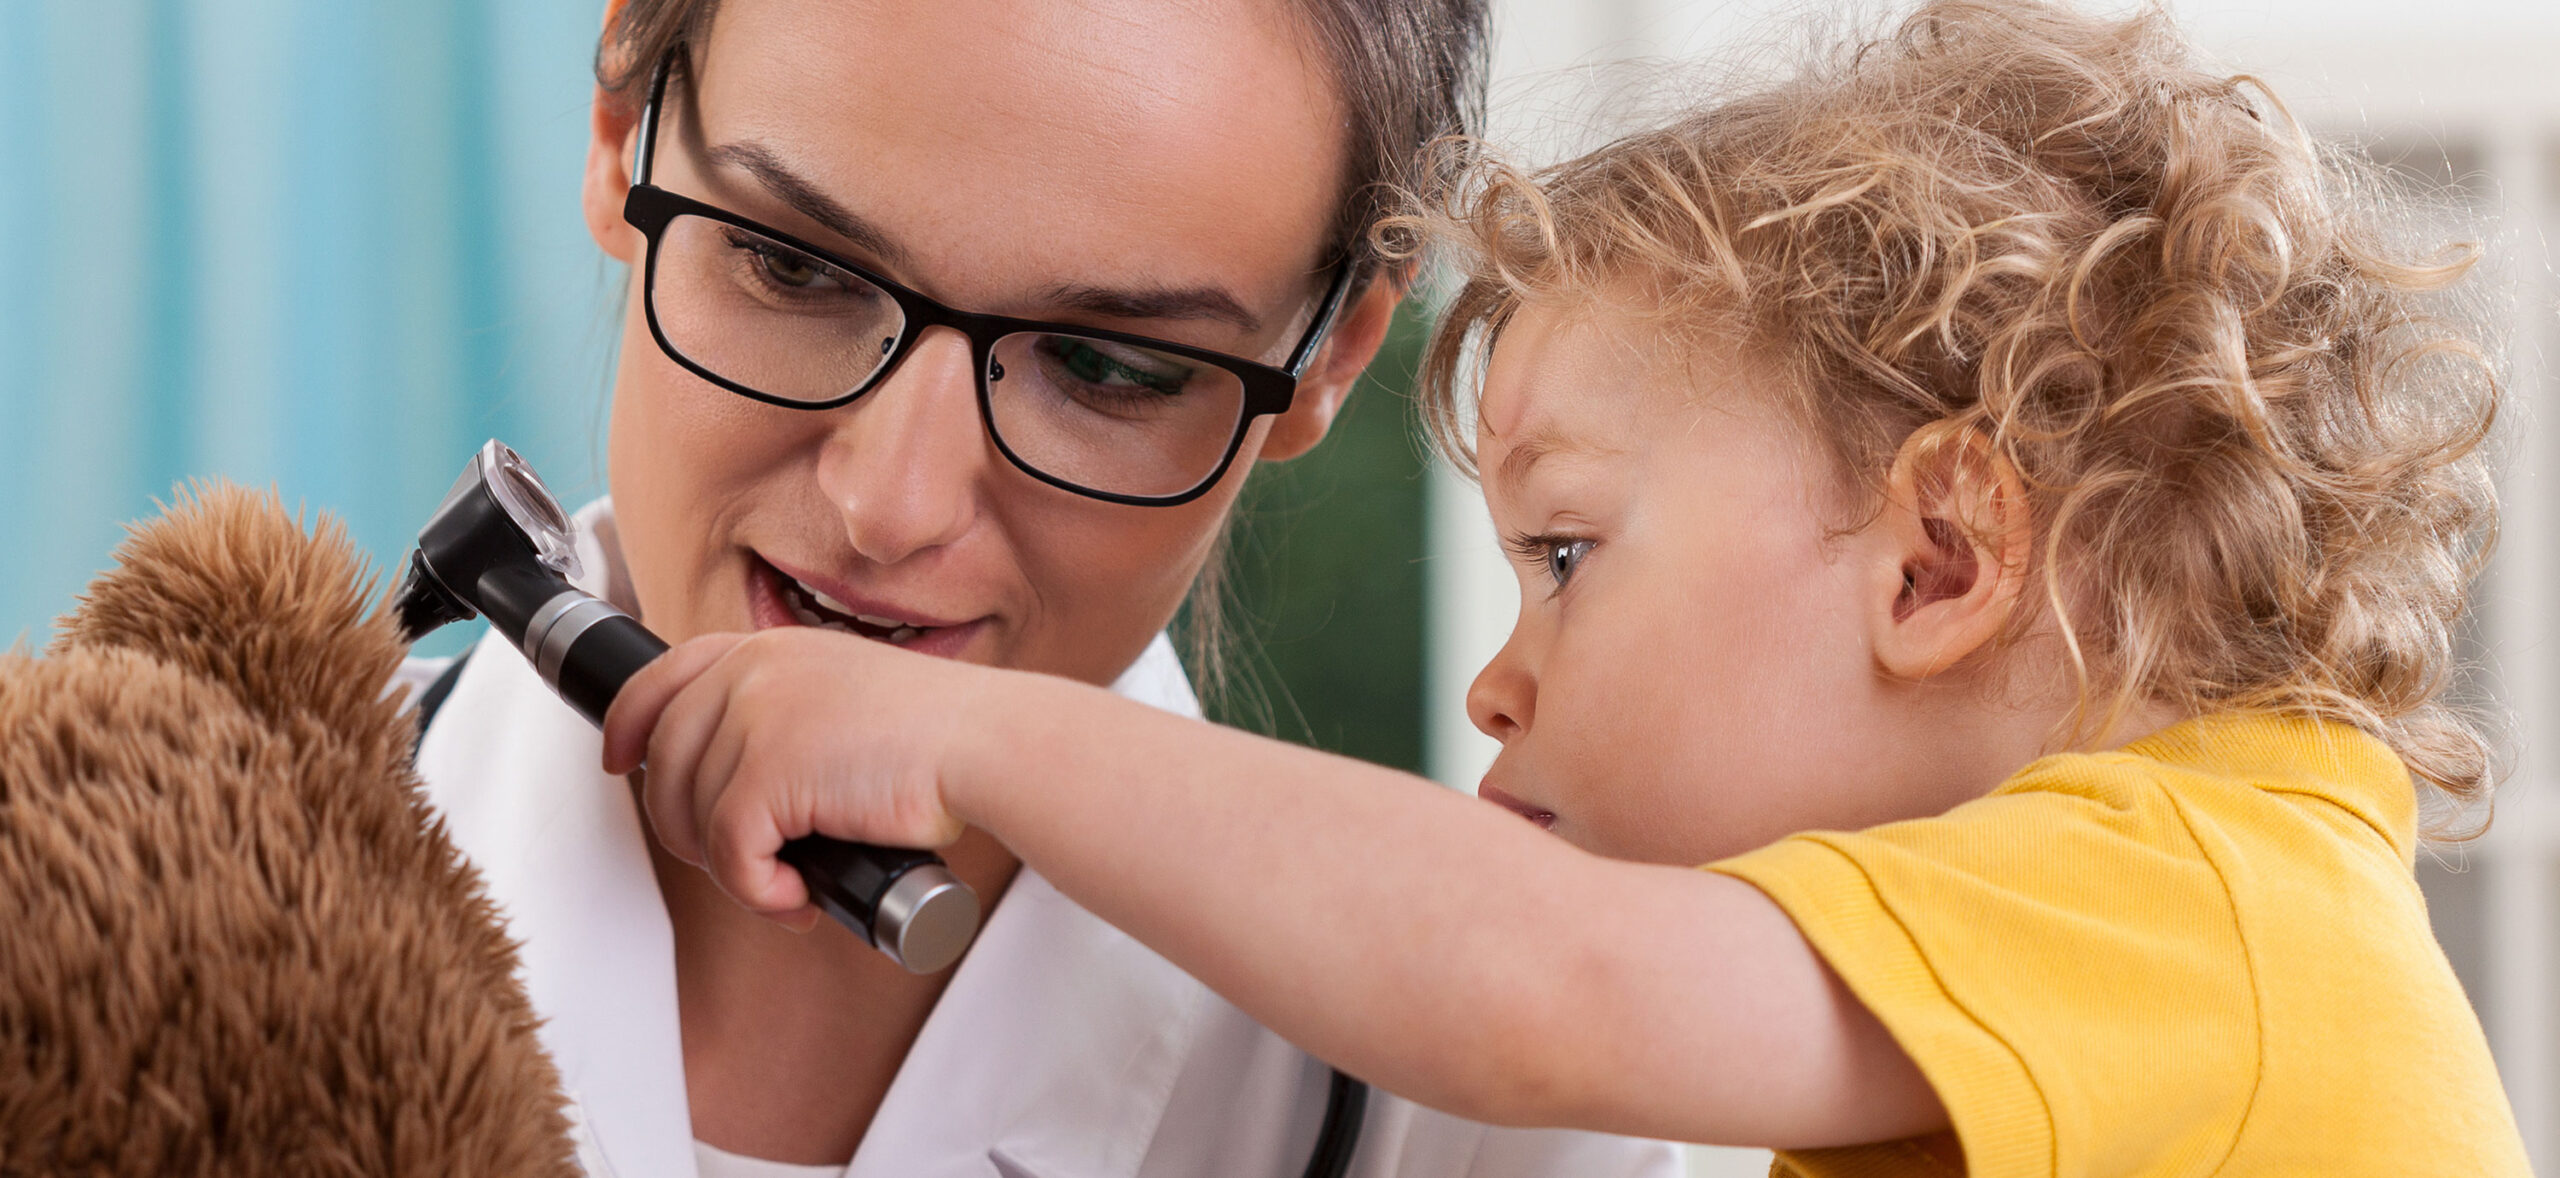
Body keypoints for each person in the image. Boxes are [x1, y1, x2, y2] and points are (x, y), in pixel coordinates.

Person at [597, 0, 2538, 1171]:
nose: (1496, 686)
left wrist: (963, 738)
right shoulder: (2067, 968)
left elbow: (1528, 977)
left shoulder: (2185, 902)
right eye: (792, 264)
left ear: (1937, 562)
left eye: (1567, 559)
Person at [398, 0, 1684, 1175]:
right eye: (793, 267)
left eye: (1105, 366)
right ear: (622, 122)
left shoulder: (1487, 1130)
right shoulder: (206, 849)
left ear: (1332, 351)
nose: (887, 505)